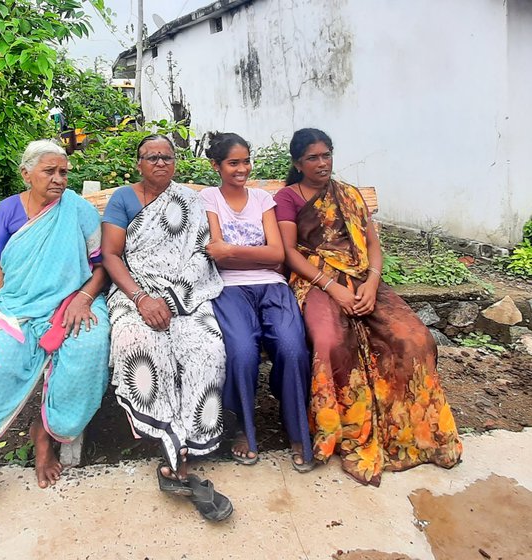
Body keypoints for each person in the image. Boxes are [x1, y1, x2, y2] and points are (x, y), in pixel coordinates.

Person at [274, 128, 463, 486]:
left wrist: (372, 283)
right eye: (312, 157)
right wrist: (333, 288)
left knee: (414, 339)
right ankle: (341, 431)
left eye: (326, 155)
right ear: (298, 163)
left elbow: (373, 246)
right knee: (330, 343)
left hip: (363, 278)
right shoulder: (289, 197)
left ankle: (409, 432)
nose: (322, 163)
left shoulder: (348, 195)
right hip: (314, 280)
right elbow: (289, 254)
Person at [0, 140, 110, 535]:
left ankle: (45, 432)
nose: (59, 179)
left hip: (74, 300)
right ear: (27, 174)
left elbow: (99, 267)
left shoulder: (78, 210)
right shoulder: (7, 209)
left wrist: (84, 299)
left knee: (89, 346)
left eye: (64, 172)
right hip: (17, 307)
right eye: (49, 172)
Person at [101, 134, 233, 521]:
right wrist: (143, 299)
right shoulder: (123, 199)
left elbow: (199, 254)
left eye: (167, 157)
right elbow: (111, 254)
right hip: (135, 292)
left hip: (185, 295)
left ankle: (188, 446)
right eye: (151, 157)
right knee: (139, 346)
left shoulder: (190, 200)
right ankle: (170, 453)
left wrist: (174, 299)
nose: (160, 162)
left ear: (176, 162)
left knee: (205, 349)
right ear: (138, 163)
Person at [199, 132, 313, 472]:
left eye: (246, 161)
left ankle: (296, 428)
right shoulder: (208, 199)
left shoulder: (263, 199)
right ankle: (244, 429)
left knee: (293, 348)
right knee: (242, 352)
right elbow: (214, 258)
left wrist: (232, 251)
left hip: (273, 287)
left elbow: (278, 254)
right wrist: (255, 255)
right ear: (216, 166)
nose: (242, 168)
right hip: (228, 289)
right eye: (233, 163)